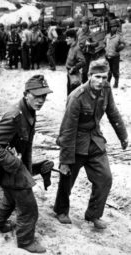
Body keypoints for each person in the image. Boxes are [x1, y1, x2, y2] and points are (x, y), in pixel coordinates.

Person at [54, 59, 128, 229]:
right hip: (75, 142)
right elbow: (67, 129)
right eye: (97, 77)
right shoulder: (77, 96)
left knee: (105, 178)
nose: (101, 81)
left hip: (95, 140)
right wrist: (65, 160)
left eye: (104, 77)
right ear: (89, 76)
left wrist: (123, 136)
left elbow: (112, 112)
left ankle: (93, 215)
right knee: (67, 178)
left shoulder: (106, 89)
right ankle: (61, 210)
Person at [0, 75, 53, 253]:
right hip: (7, 167)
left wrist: (27, 172)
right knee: (29, 209)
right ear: (26, 94)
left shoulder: (29, 111)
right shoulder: (15, 115)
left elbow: (27, 146)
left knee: (10, 197)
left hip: (15, 167)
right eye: (36, 96)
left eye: (44, 96)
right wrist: (15, 164)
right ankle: (25, 242)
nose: (41, 101)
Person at [104, 19, 125, 88]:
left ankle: (116, 83)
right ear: (110, 27)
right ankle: (107, 83)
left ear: (117, 27)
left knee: (115, 71)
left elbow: (123, 44)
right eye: (112, 26)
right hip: (108, 56)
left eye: (115, 26)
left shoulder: (119, 36)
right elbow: (104, 43)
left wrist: (118, 48)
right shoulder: (107, 36)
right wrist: (105, 49)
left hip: (115, 56)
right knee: (108, 70)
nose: (113, 28)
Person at [77, 17, 98, 83]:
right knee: (76, 68)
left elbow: (96, 43)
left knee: (85, 71)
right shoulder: (79, 32)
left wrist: (90, 44)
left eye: (85, 24)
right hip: (79, 52)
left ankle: (84, 84)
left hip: (86, 53)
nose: (83, 25)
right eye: (82, 24)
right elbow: (76, 40)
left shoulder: (91, 33)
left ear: (88, 25)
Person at [65, 29, 85, 96]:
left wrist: (74, 68)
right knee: (69, 93)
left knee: (73, 94)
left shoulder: (77, 49)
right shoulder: (71, 47)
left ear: (73, 38)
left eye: (68, 38)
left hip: (74, 74)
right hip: (69, 74)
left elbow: (83, 61)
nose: (66, 40)